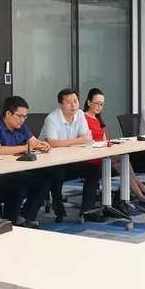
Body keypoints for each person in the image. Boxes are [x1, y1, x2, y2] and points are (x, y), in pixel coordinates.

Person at [0, 96, 50, 229]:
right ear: (8, 113)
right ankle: (9, 221)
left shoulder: (20, 126)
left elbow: (34, 142)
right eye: (20, 116)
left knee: (44, 182)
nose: (22, 120)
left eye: (25, 117)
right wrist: (25, 148)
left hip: (13, 170)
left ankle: (25, 218)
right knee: (19, 186)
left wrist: (43, 145)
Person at [83, 88, 145, 214]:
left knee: (121, 164)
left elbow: (104, 140)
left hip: (102, 154)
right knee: (123, 157)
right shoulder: (83, 118)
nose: (99, 107)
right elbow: (86, 140)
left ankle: (141, 196)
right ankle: (141, 187)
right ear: (88, 102)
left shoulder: (98, 119)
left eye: (102, 104)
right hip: (91, 157)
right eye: (97, 103)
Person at [41, 89, 101, 221]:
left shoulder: (80, 114)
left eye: (75, 101)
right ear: (60, 105)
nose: (73, 105)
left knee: (93, 170)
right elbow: (52, 143)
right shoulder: (52, 119)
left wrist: (76, 141)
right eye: (68, 102)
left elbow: (85, 138)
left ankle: (86, 210)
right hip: (50, 162)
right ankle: (58, 207)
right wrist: (78, 140)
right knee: (57, 171)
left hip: (70, 160)